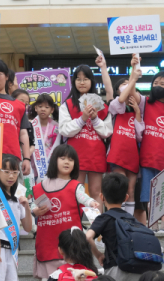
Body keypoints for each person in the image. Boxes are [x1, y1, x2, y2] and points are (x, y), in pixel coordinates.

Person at [32, 144, 98, 281]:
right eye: (63, 158)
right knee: (48, 266)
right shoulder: (41, 185)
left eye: (71, 159)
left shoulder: (75, 185)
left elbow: (83, 197)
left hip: (69, 239)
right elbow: (35, 205)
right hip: (47, 235)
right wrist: (34, 210)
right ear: (55, 160)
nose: (67, 162)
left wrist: (91, 203)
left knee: (68, 267)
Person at [87, 173, 147, 281]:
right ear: (126, 198)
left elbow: (87, 237)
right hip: (136, 269)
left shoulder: (104, 218)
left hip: (114, 268)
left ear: (102, 197)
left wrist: (98, 255)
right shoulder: (132, 219)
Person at [59, 64, 113, 212]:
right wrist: (82, 119)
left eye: (85, 79)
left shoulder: (101, 106)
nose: (82, 82)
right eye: (78, 79)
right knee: (76, 191)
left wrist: (95, 119)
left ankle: (97, 230)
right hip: (75, 155)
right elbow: (64, 130)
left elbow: (107, 132)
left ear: (92, 81)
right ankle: (75, 228)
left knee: (96, 192)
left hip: (96, 154)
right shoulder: (67, 105)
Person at [138, 56, 164, 215]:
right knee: (149, 198)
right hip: (147, 159)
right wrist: (135, 69)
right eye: (155, 83)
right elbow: (131, 93)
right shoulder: (145, 102)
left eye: (163, 84)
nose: (158, 86)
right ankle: (152, 228)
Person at [0, 154, 32, 281]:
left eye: (15, 172)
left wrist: (27, 207)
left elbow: (28, 227)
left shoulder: (18, 195)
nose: (11, 176)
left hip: (13, 249)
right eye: (7, 171)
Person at [108, 67, 144, 216]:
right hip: (117, 154)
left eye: (128, 83)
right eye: (124, 84)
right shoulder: (114, 106)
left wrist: (137, 113)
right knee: (120, 187)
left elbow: (139, 136)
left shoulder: (137, 110)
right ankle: (119, 217)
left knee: (130, 189)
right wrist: (133, 78)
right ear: (118, 91)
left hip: (132, 155)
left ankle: (128, 218)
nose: (127, 85)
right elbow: (122, 99)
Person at [28, 94, 61, 181]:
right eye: (40, 106)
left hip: (50, 164)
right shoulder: (30, 125)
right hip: (33, 164)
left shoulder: (56, 127)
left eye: (47, 107)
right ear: (35, 108)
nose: (43, 109)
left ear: (52, 110)